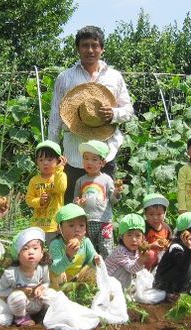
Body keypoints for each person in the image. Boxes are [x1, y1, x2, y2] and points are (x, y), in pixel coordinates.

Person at [48, 25, 134, 204]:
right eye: (85, 45)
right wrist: (52, 152)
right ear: (78, 48)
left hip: (105, 152)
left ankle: (102, 232)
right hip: (74, 154)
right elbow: (55, 116)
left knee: (103, 203)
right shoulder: (65, 78)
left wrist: (113, 113)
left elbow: (128, 110)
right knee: (73, 205)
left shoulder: (114, 77)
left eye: (94, 45)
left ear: (102, 48)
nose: (90, 50)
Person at [73, 140, 121, 259]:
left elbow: (114, 201)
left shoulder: (107, 180)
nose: (89, 162)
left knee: (107, 248)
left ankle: (108, 272)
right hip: (86, 222)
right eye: (86, 158)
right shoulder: (80, 181)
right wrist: (78, 204)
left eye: (94, 159)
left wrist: (116, 192)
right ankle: (90, 273)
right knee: (88, 249)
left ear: (102, 162)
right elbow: (75, 201)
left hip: (104, 221)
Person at [0, 227, 52, 327]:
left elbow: (46, 283)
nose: (31, 252)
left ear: (41, 253)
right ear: (18, 255)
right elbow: (0, 291)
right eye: (25, 249)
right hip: (19, 306)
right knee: (17, 297)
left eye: (35, 248)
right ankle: (21, 318)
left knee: (51, 293)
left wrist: (41, 288)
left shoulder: (43, 269)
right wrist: (18, 290)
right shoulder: (11, 273)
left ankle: (44, 315)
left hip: (36, 303)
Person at [153, 212, 191, 301]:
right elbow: (182, 266)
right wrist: (189, 251)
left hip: (178, 279)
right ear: (186, 234)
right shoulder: (176, 247)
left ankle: (182, 289)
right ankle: (171, 291)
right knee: (189, 265)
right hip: (164, 281)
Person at [49, 203, 101, 289]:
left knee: (93, 270)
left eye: (81, 225)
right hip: (60, 281)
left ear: (85, 229)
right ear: (59, 229)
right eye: (71, 225)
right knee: (57, 274)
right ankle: (59, 296)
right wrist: (68, 255)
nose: (77, 229)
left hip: (77, 277)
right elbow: (56, 269)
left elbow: (91, 257)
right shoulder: (56, 244)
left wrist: (95, 259)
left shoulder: (85, 242)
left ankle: (83, 293)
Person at [26, 140, 68, 245]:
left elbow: (60, 189)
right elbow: (29, 200)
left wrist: (59, 170)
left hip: (55, 225)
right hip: (38, 224)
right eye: (41, 160)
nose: (45, 163)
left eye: (49, 159)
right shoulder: (34, 180)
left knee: (54, 251)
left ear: (58, 160)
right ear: (36, 162)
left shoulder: (60, 176)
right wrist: (39, 201)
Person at [105, 214, 149, 288]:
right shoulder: (120, 251)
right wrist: (141, 260)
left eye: (138, 236)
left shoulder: (136, 249)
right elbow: (131, 269)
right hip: (109, 281)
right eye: (129, 235)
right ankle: (124, 291)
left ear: (143, 238)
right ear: (121, 237)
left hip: (119, 278)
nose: (134, 239)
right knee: (126, 271)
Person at [142, 193, 173, 271]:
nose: (155, 218)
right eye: (151, 214)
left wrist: (167, 245)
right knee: (151, 254)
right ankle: (146, 273)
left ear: (164, 214)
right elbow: (139, 247)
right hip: (146, 257)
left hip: (161, 256)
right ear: (145, 214)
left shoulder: (166, 228)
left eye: (159, 214)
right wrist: (151, 246)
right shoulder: (143, 227)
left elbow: (171, 241)